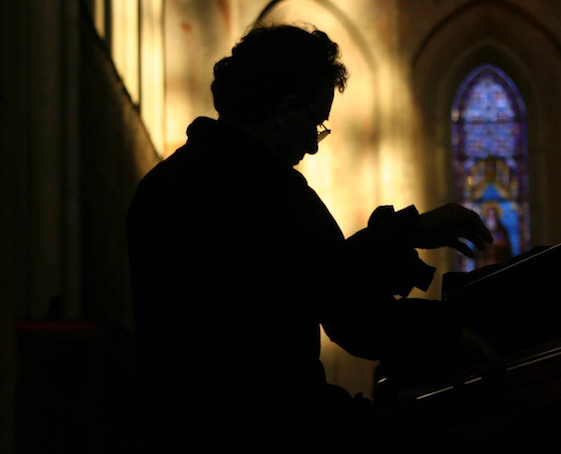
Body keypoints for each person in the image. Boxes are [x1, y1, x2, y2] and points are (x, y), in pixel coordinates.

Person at [126, 23, 492, 449]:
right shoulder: (274, 194)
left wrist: (404, 230)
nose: (315, 146)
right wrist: (458, 333)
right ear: (284, 112)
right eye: (317, 123)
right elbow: (358, 320)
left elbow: (304, 273)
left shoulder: (159, 187)